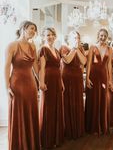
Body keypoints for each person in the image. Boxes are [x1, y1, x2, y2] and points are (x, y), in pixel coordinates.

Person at [5, 20, 40, 150]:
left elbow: (35, 66)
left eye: (34, 30)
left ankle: (31, 144)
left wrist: (40, 82)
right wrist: (7, 86)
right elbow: (6, 66)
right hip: (17, 83)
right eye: (31, 28)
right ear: (23, 28)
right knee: (18, 111)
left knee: (30, 110)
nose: (33, 32)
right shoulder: (12, 45)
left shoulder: (33, 46)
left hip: (30, 83)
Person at [39, 27, 64, 148]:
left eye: (52, 35)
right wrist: (41, 82)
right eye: (47, 35)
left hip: (57, 80)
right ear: (44, 36)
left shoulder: (56, 50)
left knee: (56, 107)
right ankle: (47, 138)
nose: (50, 37)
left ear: (55, 36)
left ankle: (55, 137)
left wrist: (62, 82)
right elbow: (42, 68)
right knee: (48, 108)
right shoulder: (43, 49)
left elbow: (59, 68)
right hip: (48, 80)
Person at [85, 28, 113, 135]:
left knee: (103, 98)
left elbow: (109, 65)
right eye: (101, 35)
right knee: (93, 98)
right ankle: (92, 125)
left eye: (104, 36)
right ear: (98, 36)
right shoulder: (93, 47)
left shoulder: (110, 49)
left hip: (103, 75)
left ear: (107, 37)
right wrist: (87, 78)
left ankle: (101, 124)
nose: (103, 38)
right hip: (93, 74)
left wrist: (110, 80)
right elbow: (88, 64)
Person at [60, 31, 87, 139]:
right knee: (68, 101)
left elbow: (84, 61)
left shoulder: (80, 49)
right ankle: (68, 130)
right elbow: (67, 60)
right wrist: (74, 49)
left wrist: (77, 49)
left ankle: (78, 128)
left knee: (78, 101)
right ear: (69, 38)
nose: (77, 39)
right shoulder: (64, 47)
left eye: (78, 37)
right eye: (74, 37)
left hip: (78, 78)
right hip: (67, 77)